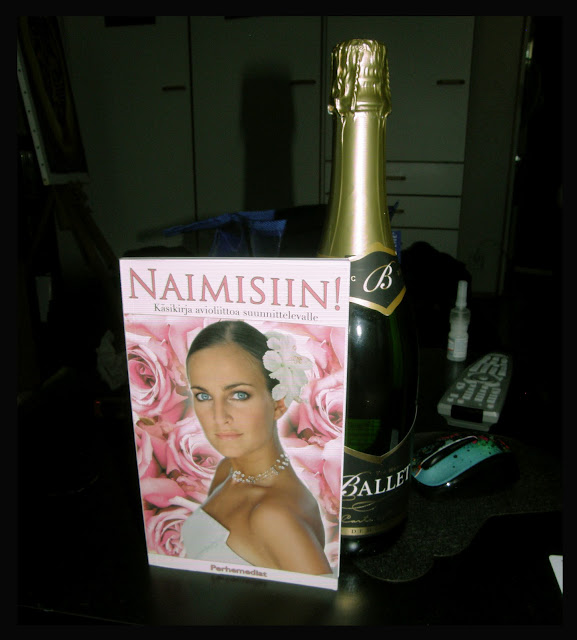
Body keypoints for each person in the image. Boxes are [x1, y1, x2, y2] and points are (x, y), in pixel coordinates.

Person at [182, 320, 332, 576]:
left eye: (239, 394)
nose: (219, 417)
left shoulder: (274, 517)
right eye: (203, 396)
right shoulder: (228, 470)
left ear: (278, 403)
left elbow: (321, 598)